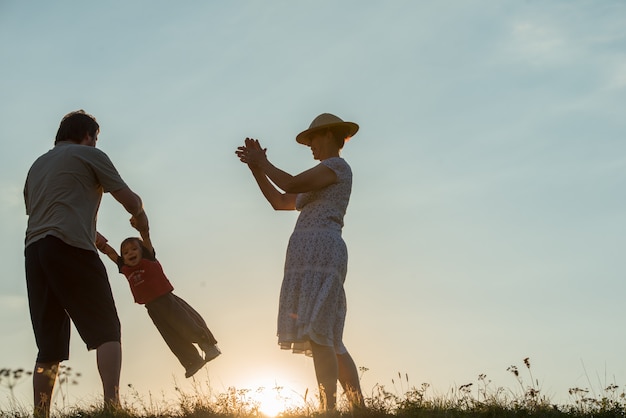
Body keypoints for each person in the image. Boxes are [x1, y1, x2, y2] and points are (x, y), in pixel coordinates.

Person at [235, 113, 365, 411]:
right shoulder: (320, 176)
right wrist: (256, 168)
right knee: (326, 336)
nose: (310, 145)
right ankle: (357, 408)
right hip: (306, 256)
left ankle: (329, 408)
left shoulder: (337, 167)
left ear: (332, 136)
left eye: (314, 138)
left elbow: (291, 183)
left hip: (324, 251)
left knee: (323, 333)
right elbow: (280, 201)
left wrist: (263, 162)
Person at [24, 110, 150, 417]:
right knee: (107, 329)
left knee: (49, 346)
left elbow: (50, 211)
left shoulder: (37, 166)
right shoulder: (88, 154)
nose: (95, 143)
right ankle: (112, 406)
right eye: (95, 138)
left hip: (35, 251)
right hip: (71, 248)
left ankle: (40, 414)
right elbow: (130, 202)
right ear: (88, 135)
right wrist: (140, 211)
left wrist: (97, 238)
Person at [95, 227, 220, 379]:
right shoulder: (125, 268)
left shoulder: (149, 258)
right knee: (171, 336)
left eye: (134, 249)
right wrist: (96, 238)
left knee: (186, 323)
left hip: (166, 299)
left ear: (143, 251)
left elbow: (146, 239)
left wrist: (142, 226)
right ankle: (192, 361)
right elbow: (109, 252)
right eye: (126, 252)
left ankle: (207, 345)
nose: (130, 253)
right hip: (152, 308)